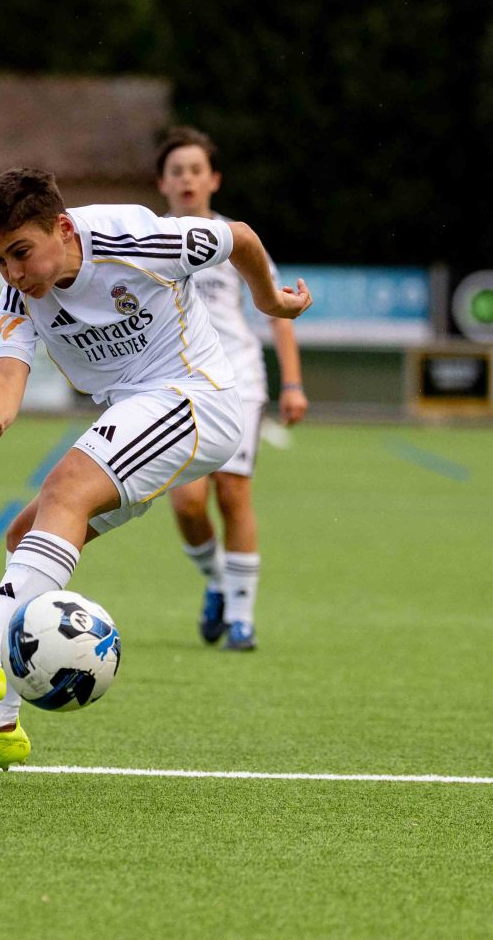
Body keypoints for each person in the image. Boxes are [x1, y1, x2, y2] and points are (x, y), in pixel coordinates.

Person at [0, 167, 310, 785]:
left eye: (20, 253)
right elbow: (8, 367)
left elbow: (241, 237)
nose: (11, 273)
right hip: (137, 411)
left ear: (63, 229)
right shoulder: (21, 291)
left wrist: (269, 300)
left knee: (66, 485)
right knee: (25, 536)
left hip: (198, 399)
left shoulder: (135, 239)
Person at [155, 127, 307, 651]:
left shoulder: (235, 238)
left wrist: (293, 383)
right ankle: (218, 580)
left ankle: (242, 618)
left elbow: (278, 311)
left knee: (233, 493)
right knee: (187, 504)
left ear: (214, 179)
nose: (187, 179)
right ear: (163, 182)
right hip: (178, 383)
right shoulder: (148, 239)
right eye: (177, 171)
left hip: (238, 378)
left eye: (196, 170)